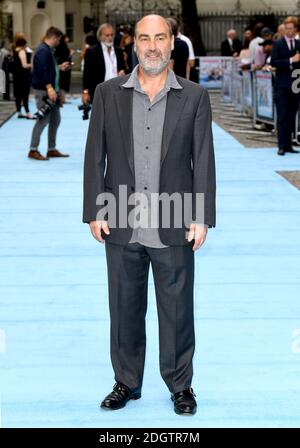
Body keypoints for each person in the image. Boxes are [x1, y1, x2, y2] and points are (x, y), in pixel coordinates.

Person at [83, 14, 216, 415]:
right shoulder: (108, 94)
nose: (152, 46)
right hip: (121, 220)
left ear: (172, 42)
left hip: (174, 222)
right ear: (134, 44)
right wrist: (94, 209)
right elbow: (95, 157)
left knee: (177, 310)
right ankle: (126, 382)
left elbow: (203, 159)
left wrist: (201, 215)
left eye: (160, 37)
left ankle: (180, 386)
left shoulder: (193, 96)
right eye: (144, 38)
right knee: (123, 308)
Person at [28, 26, 71, 161]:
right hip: (45, 91)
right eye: (59, 40)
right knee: (43, 119)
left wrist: (59, 68)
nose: (60, 43)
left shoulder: (47, 50)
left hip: (51, 90)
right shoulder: (43, 51)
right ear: (54, 38)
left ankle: (51, 149)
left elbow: (48, 69)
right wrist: (50, 88)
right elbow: (42, 70)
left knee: (55, 119)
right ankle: (33, 149)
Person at [271, 16, 300, 156]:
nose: (289, 31)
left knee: (292, 115)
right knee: (282, 116)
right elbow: (274, 62)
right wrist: (290, 60)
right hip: (282, 85)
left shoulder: (299, 43)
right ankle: (281, 145)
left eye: (291, 29)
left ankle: (289, 144)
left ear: (295, 30)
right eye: (286, 28)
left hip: (296, 84)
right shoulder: (278, 44)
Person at [82, 23, 126, 104]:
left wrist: (122, 71)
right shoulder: (92, 51)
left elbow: (123, 68)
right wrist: (85, 92)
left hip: (118, 91)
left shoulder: (119, 51)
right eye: (107, 35)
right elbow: (87, 73)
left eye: (111, 35)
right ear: (100, 36)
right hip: (99, 92)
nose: (110, 38)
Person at [12, 36, 33, 119]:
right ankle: (28, 112)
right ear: (23, 45)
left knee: (18, 95)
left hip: (17, 75)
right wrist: (32, 65)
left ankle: (19, 112)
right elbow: (24, 65)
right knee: (25, 94)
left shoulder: (15, 50)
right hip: (23, 76)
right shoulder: (22, 51)